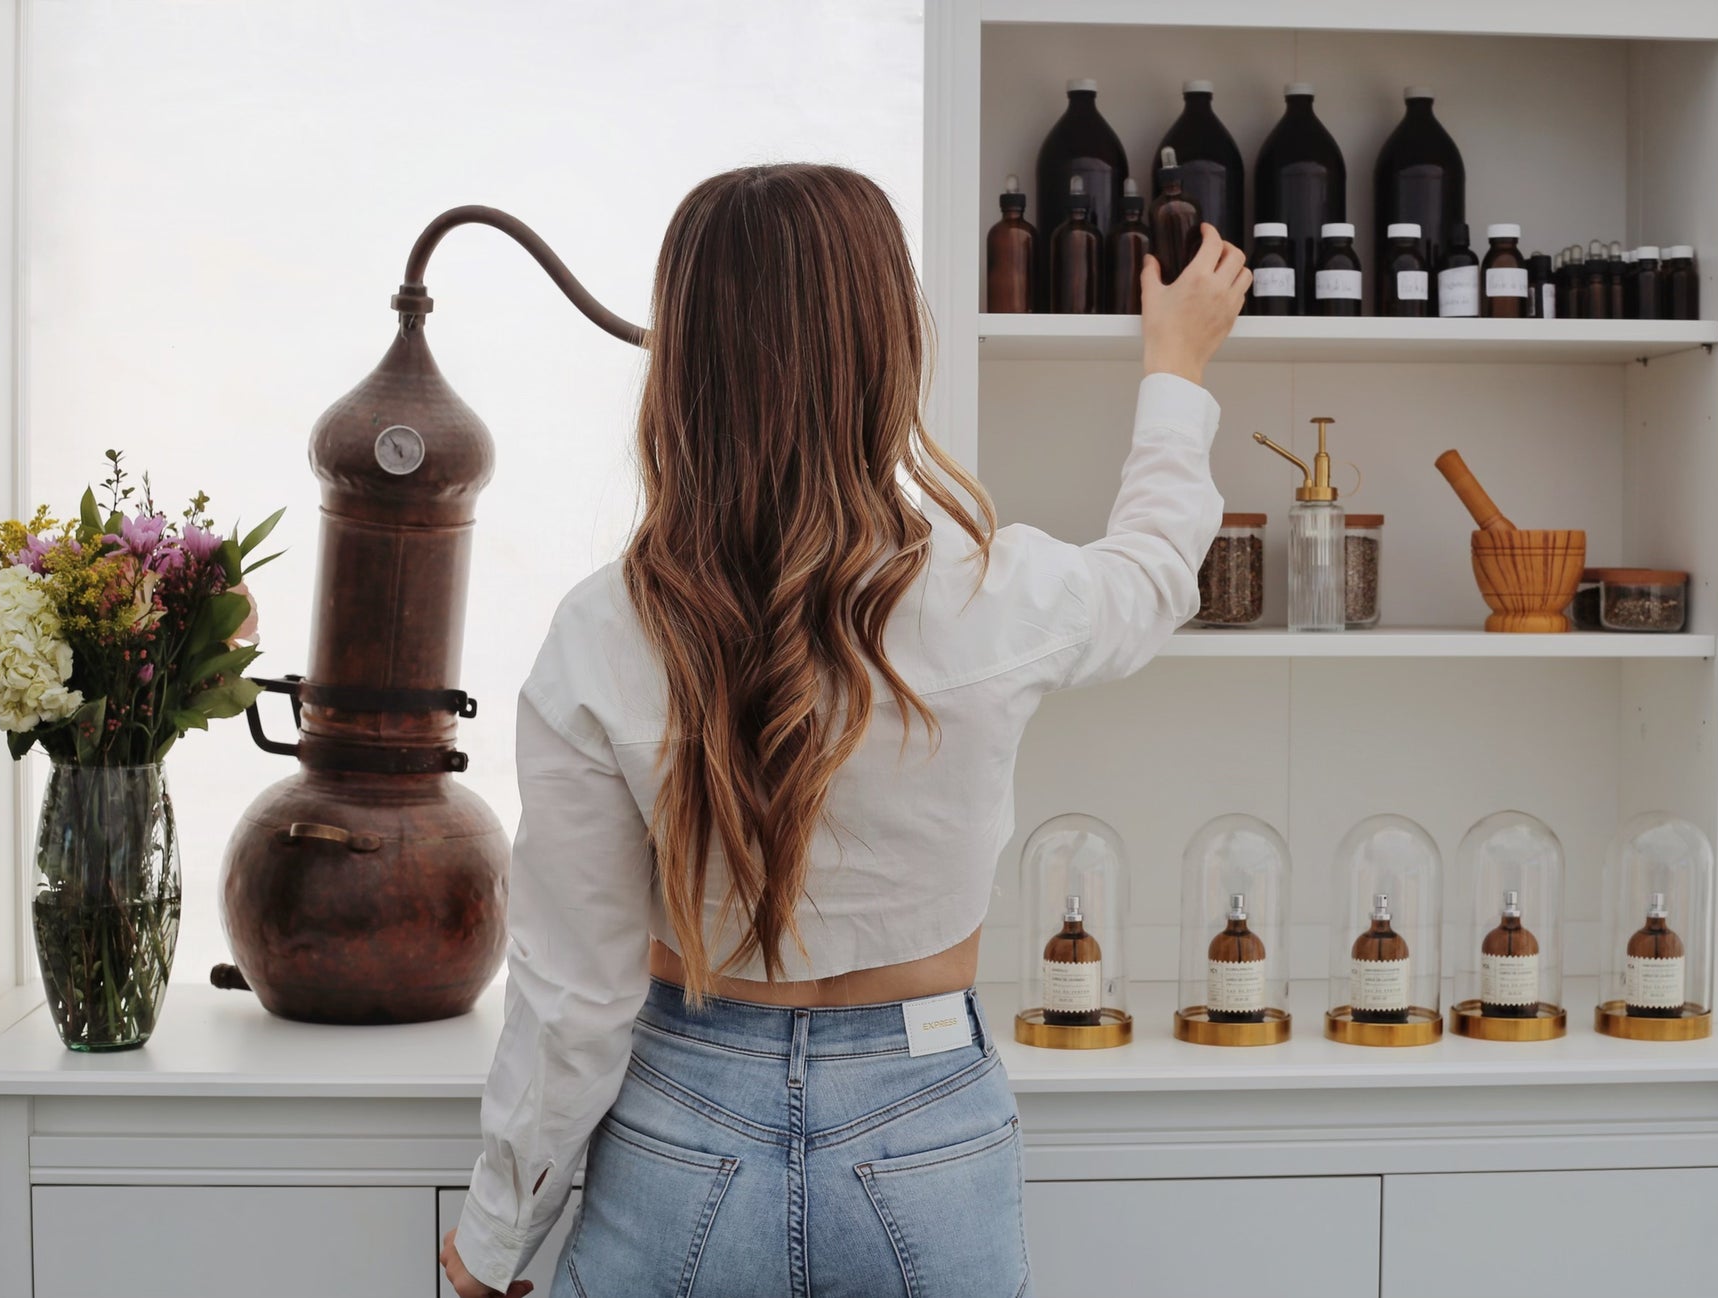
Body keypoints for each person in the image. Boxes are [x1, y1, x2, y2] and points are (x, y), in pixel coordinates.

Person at [440, 163, 1246, 1298]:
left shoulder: (600, 630)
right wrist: (1176, 367)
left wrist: (494, 1234)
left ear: (682, 361)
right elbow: (1155, 571)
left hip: (679, 1115)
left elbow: (574, 994)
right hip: (925, 1122)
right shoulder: (994, 594)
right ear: (887, 348)